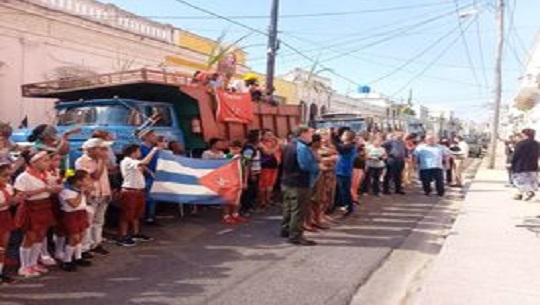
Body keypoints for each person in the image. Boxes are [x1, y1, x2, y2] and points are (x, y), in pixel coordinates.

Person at [14, 151, 63, 278]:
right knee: (29, 237)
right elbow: (21, 194)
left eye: (48, 160)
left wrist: (57, 187)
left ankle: (33, 263)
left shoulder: (46, 174)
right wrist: (45, 189)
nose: (48, 163)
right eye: (45, 160)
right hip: (31, 207)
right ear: (34, 162)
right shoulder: (23, 177)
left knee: (40, 236)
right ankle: (24, 266)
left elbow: (54, 186)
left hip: (44, 205)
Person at [280, 125, 318, 246]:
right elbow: (305, 165)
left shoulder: (288, 145)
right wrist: (318, 167)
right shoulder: (302, 147)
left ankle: (286, 229)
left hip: (287, 180)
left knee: (288, 207)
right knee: (299, 210)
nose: (311, 136)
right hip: (299, 182)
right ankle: (296, 235)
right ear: (302, 134)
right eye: (310, 134)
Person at [75, 138, 112, 256]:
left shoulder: (101, 160)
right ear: (93, 149)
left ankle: (97, 243)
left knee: (99, 221)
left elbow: (106, 176)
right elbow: (96, 175)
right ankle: (85, 247)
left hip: (103, 193)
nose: (105, 151)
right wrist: (101, 160)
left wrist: (108, 192)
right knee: (88, 222)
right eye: (102, 149)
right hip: (91, 194)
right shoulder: (81, 161)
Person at [117, 144, 159, 247]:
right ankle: (122, 236)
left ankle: (136, 233)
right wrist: (153, 151)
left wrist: (150, 172)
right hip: (130, 191)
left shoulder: (133, 162)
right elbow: (144, 162)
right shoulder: (127, 161)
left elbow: (142, 166)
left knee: (137, 214)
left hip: (139, 191)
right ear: (133, 152)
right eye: (138, 151)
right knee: (126, 215)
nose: (140, 153)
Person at [58, 170, 93, 272]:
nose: (88, 181)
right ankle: (67, 260)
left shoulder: (79, 190)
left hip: (81, 213)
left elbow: (87, 201)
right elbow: (74, 204)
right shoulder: (66, 191)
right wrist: (81, 192)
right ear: (78, 181)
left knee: (81, 236)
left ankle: (78, 257)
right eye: (86, 179)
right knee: (74, 237)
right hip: (70, 214)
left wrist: (88, 193)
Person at [0, 164, 23, 284]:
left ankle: (2, 273)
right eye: (4, 176)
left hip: (5, 217)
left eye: (9, 175)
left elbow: (11, 204)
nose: (8, 178)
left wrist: (16, 200)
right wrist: (8, 202)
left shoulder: (8, 187)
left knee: (4, 247)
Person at [223, 141, 249, 224]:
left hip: (239, 180)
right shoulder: (225, 157)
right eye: (232, 148)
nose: (234, 150)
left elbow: (246, 169)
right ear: (229, 148)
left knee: (237, 199)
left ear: (240, 149)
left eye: (237, 148)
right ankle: (226, 215)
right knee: (227, 200)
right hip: (227, 181)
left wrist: (245, 181)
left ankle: (235, 214)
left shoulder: (243, 158)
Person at [511, 129, 540, 201]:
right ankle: (519, 194)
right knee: (530, 181)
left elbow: (516, 155)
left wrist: (512, 164)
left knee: (520, 181)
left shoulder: (521, 143)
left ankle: (529, 192)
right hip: (533, 166)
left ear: (525, 134)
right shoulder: (537, 144)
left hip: (521, 165)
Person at [138, 129, 159, 225]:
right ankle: (144, 216)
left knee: (153, 197)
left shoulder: (154, 148)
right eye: (153, 136)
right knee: (147, 197)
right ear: (146, 137)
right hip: (147, 176)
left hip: (155, 174)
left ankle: (151, 216)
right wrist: (149, 172)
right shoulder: (141, 148)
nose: (156, 137)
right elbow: (140, 162)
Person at [335, 130, 357, 216]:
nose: (342, 136)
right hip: (343, 170)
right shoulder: (349, 146)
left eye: (343, 134)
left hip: (344, 170)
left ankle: (347, 207)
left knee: (344, 190)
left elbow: (339, 148)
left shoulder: (349, 146)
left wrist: (333, 137)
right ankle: (348, 206)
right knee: (344, 190)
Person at [240, 130, 262, 216]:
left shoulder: (255, 148)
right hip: (251, 173)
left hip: (256, 172)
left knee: (253, 191)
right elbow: (245, 163)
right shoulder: (249, 149)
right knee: (249, 192)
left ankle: (250, 207)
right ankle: (245, 209)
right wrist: (251, 174)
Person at [258, 130, 281, 210]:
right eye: (268, 135)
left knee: (271, 184)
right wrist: (277, 145)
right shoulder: (261, 144)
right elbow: (268, 152)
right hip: (265, 166)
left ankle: (268, 199)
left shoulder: (274, 143)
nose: (270, 136)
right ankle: (262, 201)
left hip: (274, 166)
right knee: (263, 185)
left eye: (271, 135)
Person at [351, 136, 367, 205]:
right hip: (354, 168)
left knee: (357, 184)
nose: (362, 142)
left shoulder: (362, 149)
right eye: (360, 141)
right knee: (353, 184)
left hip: (361, 168)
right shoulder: (353, 148)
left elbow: (365, 158)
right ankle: (353, 198)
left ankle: (354, 197)